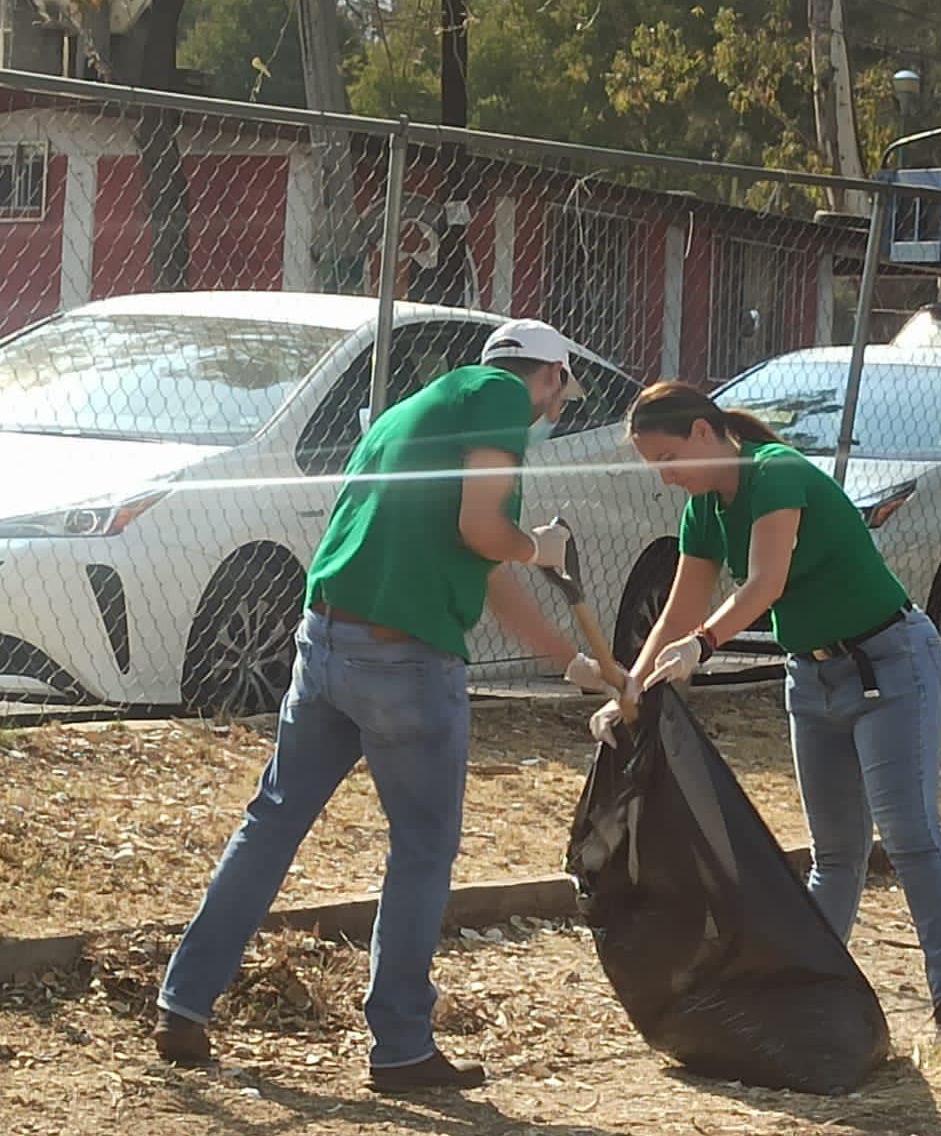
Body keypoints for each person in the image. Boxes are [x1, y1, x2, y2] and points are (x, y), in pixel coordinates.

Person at [156, 318, 624, 1090]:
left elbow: (480, 565)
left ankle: (185, 1002)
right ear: (545, 377)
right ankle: (401, 1046)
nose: (551, 413)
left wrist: (569, 661)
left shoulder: (420, 411)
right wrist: (536, 544)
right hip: (406, 661)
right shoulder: (499, 401)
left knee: (271, 823)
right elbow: (486, 533)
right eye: (557, 397)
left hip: (327, 641)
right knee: (420, 849)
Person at [591, 379, 941, 1041]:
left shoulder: (774, 473)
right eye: (656, 466)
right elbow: (681, 606)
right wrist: (628, 690)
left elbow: (765, 583)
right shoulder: (704, 510)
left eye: (669, 459)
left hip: (888, 662)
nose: (667, 478)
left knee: (909, 836)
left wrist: (702, 646)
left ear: (706, 433)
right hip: (813, 675)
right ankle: (814, 994)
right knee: (834, 852)